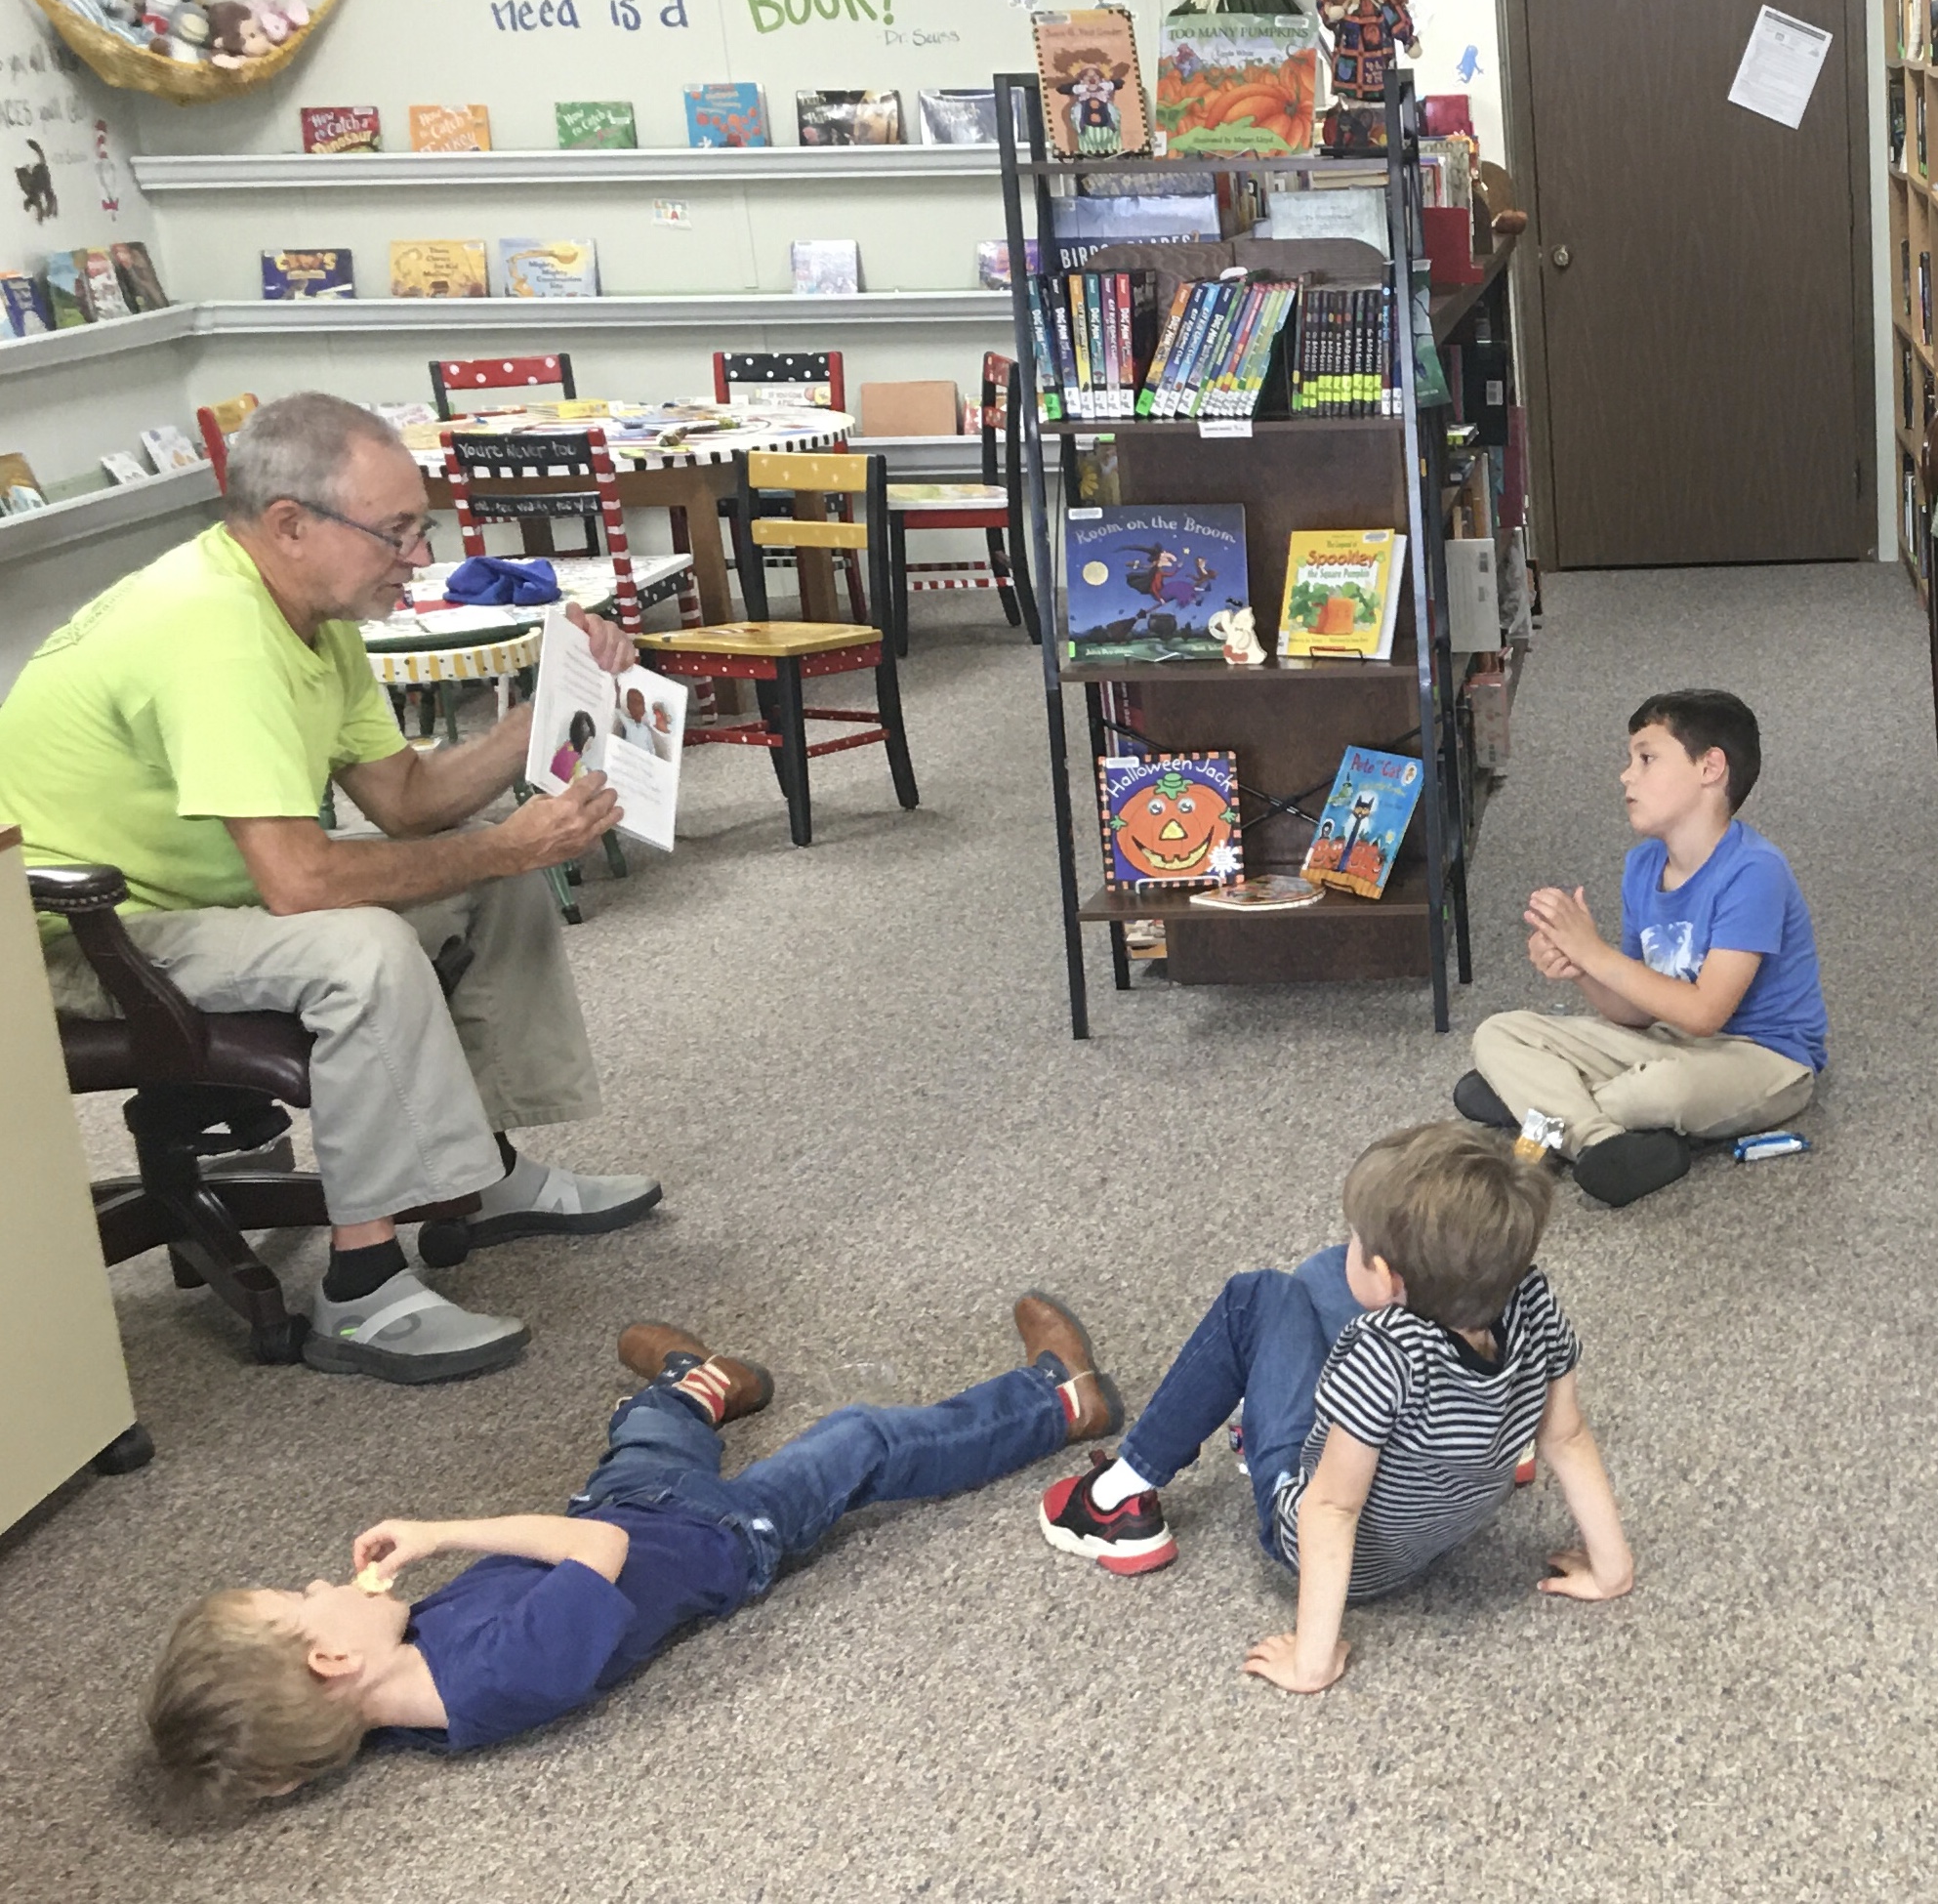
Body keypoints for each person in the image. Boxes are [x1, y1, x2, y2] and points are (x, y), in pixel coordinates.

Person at [0, 392, 662, 1386]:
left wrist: (543, 712)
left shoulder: (313, 616)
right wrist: (502, 847)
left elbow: (407, 802)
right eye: (396, 531)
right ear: (289, 525)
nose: (417, 556)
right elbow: (304, 883)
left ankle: (477, 1180)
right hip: (78, 933)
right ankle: (360, 1290)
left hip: (200, 898)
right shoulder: (215, 632)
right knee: (362, 948)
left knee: (496, 880)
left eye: (420, 528)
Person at [142, 1296, 1119, 1801]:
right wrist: (443, 1532)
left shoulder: (386, 1687)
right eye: (299, 1596)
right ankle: (1059, 1401)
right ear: (330, 1659)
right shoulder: (497, 1677)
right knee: (862, 1442)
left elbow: (282, 1751)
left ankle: (702, 1384)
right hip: (717, 1537)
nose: (320, 1580)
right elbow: (597, 1547)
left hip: (640, 1506)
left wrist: (279, 1757)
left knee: (648, 1431)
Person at [1035, 1123, 1631, 1691]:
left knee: (1257, 1298)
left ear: (1388, 1278)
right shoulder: (1531, 1296)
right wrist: (1612, 1570)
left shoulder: (1384, 1352)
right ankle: (1494, 1431)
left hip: (1345, 1548)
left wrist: (1311, 1661)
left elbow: (1332, 1507)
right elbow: (1567, 1437)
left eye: (1358, 1242)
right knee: (1321, 1277)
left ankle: (1114, 1498)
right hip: (1453, 1496)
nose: (1352, 1245)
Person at [1457, 689, 1826, 1209]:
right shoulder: (1642, 866)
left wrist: (1595, 952)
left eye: (1647, 758)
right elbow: (1635, 1012)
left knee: (1659, 1090)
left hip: (1764, 1059)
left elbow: (1704, 1013)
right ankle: (1597, 1141)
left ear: (1710, 768)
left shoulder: (1755, 871)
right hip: (1665, 1040)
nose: (1626, 776)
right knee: (1499, 1032)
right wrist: (1580, 966)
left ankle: (1542, 1112)